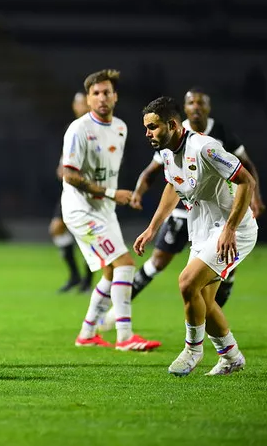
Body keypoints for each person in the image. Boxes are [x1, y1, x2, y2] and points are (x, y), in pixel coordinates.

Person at [135, 97, 256, 376]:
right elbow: (171, 186)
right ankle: (232, 357)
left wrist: (229, 230)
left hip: (234, 230)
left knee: (187, 282)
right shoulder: (167, 151)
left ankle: (192, 350)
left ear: (173, 124)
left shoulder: (205, 147)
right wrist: (153, 227)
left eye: (152, 127)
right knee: (203, 298)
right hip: (202, 229)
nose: (148, 133)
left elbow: (245, 180)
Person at [127, 89, 264, 307]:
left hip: (221, 216)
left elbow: (246, 172)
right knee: (166, 266)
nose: (196, 107)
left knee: (197, 287)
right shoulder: (167, 142)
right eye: (191, 102)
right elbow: (167, 180)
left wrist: (254, 199)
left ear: (208, 108)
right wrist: (148, 218)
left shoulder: (214, 138)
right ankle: (121, 310)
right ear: (185, 108)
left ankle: (213, 326)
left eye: (201, 103)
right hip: (189, 215)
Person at [62, 69, 160, 351]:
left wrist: (121, 196)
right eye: (96, 93)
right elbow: (69, 175)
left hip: (104, 210)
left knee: (110, 272)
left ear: (115, 97)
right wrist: (110, 193)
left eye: (107, 92)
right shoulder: (79, 130)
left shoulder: (121, 127)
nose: (102, 98)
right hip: (81, 210)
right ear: (89, 99)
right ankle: (125, 336)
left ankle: (87, 333)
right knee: (126, 265)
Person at [52, 91, 90, 293]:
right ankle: (75, 275)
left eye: (84, 103)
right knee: (57, 228)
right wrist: (62, 167)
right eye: (78, 103)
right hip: (70, 191)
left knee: (87, 234)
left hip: (88, 190)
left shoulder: (95, 129)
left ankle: (88, 280)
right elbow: (67, 156)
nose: (81, 106)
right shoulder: (72, 129)